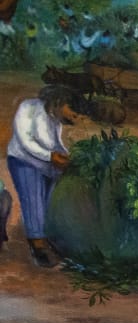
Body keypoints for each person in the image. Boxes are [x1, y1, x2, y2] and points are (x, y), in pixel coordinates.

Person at [6, 83, 75, 267]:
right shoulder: (28, 108)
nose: (73, 115)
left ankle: (48, 240)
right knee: (33, 200)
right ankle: (38, 245)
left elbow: (55, 142)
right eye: (71, 109)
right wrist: (51, 156)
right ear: (59, 102)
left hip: (46, 163)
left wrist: (66, 156)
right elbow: (25, 140)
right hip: (23, 160)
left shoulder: (55, 118)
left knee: (50, 201)